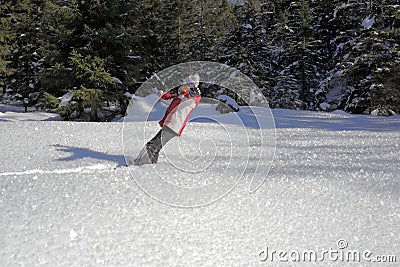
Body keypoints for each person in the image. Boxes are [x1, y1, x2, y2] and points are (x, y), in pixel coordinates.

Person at [131, 74, 201, 166]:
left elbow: (194, 95)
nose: (183, 87)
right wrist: (157, 92)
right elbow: (168, 97)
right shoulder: (181, 96)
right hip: (170, 125)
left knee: (152, 145)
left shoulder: (193, 98)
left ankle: (139, 163)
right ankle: (150, 165)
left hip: (174, 125)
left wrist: (193, 88)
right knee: (156, 146)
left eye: (186, 85)